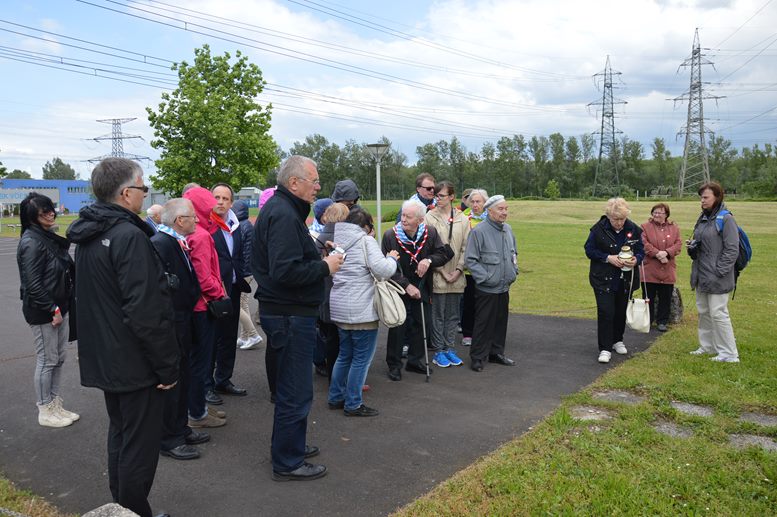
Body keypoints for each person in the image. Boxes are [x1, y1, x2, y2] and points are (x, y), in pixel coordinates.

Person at [67, 158, 179, 517]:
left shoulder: (91, 233)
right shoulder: (128, 236)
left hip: (108, 354)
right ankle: (133, 510)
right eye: (143, 187)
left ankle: (122, 509)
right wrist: (166, 367)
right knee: (138, 446)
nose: (146, 194)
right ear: (127, 193)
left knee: (121, 435)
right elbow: (146, 311)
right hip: (133, 361)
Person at [252, 155, 344, 481]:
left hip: (290, 312)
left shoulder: (284, 210)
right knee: (295, 389)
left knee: (297, 387)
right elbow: (285, 270)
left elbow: (288, 256)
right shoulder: (282, 213)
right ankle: (288, 462)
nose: (318, 187)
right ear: (294, 183)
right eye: (314, 180)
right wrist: (325, 267)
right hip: (289, 314)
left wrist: (318, 249)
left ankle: (293, 446)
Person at [152, 198, 210, 461]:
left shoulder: (173, 242)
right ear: (179, 221)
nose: (196, 221)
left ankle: (180, 428)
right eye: (192, 218)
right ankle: (169, 438)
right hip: (172, 322)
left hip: (181, 319)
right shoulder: (161, 245)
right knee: (172, 381)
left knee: (183, 376)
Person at [328, 207, 398, 416]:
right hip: (361, 309)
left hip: (340, 306)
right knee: (361, 359)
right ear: (366, 226)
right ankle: (353, 403)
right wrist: (392, 258)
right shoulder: (366, 241)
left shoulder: (338, 242)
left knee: (344, 355)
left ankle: (336, 396)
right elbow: (383, 270)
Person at [16, 192, 78, 428]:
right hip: (44, 310)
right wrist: (52, 308)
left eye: (51, 209)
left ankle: (54, 404)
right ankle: (45, 408)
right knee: (47, 359)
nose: (51, 213)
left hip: (59, 306)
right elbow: (32, 283)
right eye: (44, 211)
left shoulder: (47, 237)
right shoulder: (31, 241)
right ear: (32, 217)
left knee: (59, 358)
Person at [382, 199, 448, 381]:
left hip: (422, 286)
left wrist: (428, 261)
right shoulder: (390, 236)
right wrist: (405, 285)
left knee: (421, 323)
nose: (403, 219)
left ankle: (415, 360)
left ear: (420, 220)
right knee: (398, 326)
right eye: (402, 215)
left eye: (408, 217)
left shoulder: (430, 233)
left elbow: (442, 254)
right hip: (398, 288)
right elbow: (385, 267)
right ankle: (394, 364)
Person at [182, 186, 228, 427]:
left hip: (196, 306)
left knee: (197, 362)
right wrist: (219, 291)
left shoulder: (193, 233)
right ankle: (197, 413)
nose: (214, 210)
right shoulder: (200, 236)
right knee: (200, 362)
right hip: (203, 307)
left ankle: (197, 407)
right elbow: (203, 277)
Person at [584, 197, 644, 364]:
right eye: (616, 219)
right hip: (602, 278)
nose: (619, 223)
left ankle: (617, 339)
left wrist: (636, 259)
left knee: (620, 311)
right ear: (608, 216)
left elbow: (641, 250)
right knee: (606, 312)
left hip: (625, 279)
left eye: (622, 219)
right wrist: (607, 258)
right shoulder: (598, 229)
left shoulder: (633, 228)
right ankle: (604, 348)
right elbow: (589, 250)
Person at [464, 195, 518, 372]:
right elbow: (471, 260)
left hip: (504, 286)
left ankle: (496, 352)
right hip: (487, 287)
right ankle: (478, 357)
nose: (504, 212)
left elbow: (513, 253)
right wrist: (486, 278)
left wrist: (513, 270)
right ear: (490, 211)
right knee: (483, 322)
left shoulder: (508, 229)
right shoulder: (479, 231)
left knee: (501, 321)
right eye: (500, 209)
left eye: (506, 209)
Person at [688, 181, 740, 362]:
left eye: (705, 197)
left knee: (718, 313)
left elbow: (733, 249)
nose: (702, 200)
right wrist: (693, 247)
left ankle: (729, 353)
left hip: (717, 275)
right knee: (703, 311)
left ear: (717, 197)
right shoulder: (702, 218)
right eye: (701, 197)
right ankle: (707, 346)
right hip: (701, 273)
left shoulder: (726, 219)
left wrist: (720, 271)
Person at [208, 183, 250, 401]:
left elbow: (238, 255)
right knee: (211, 339)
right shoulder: (206, 225)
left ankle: (223, 379)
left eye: (225, 198)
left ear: (231, 202)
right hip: (212, 292)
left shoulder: (235, 224)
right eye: (217, 197)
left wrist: (240, 275)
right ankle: (207, 384)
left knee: (228, 336)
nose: (220, 202)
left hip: (232, 288)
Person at [425, 181, 469, 368]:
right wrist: (442, 271)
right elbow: (426, 249)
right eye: (436, 195)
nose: (438, 199)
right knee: (438, 316)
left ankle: (450, 347)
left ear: (452, 197)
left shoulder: (462, 219)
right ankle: (439, 351)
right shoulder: (429, 217)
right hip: (438, 275)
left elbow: (467, 248)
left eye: (442, 195)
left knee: (452, 316)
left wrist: (459, 270)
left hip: (457, 276)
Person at [312, 202, 350, 379]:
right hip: (342, 296)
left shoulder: (318, 238)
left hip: (323, 296)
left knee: (327, 337)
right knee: (341, 342)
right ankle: (337, 380)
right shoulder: (345, 239)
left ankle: (328, 371)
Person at [641, 203, 682, 332]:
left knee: (666, 297)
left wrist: (667, 253)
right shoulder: (645, 227)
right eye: (654, 212)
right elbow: (643, 243)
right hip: (649, 270)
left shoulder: (674, 228)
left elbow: (678, 244)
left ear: (666, 214)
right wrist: (658, 254)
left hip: (668, 269)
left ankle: (662, 321)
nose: (656, 215)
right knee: (648, 297)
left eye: (660, 212)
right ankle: (647, 320)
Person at [233, 199, 263, 351]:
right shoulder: (247, 225)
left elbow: (240, 252)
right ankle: (245, 336)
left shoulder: (240, 227)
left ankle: (253, 334)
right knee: (243, 302)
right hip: (248, 270)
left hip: (244, 271)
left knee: (237, 304)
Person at [460, 188, 488, 347]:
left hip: (486, 269)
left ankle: (482, 331)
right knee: (469, 302)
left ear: (485, 203)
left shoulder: (491, 219)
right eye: (473, 202)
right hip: (469, 269)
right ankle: (468, 333)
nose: (475, 205)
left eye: (479, 202)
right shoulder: (464, 219)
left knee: (484, 302)